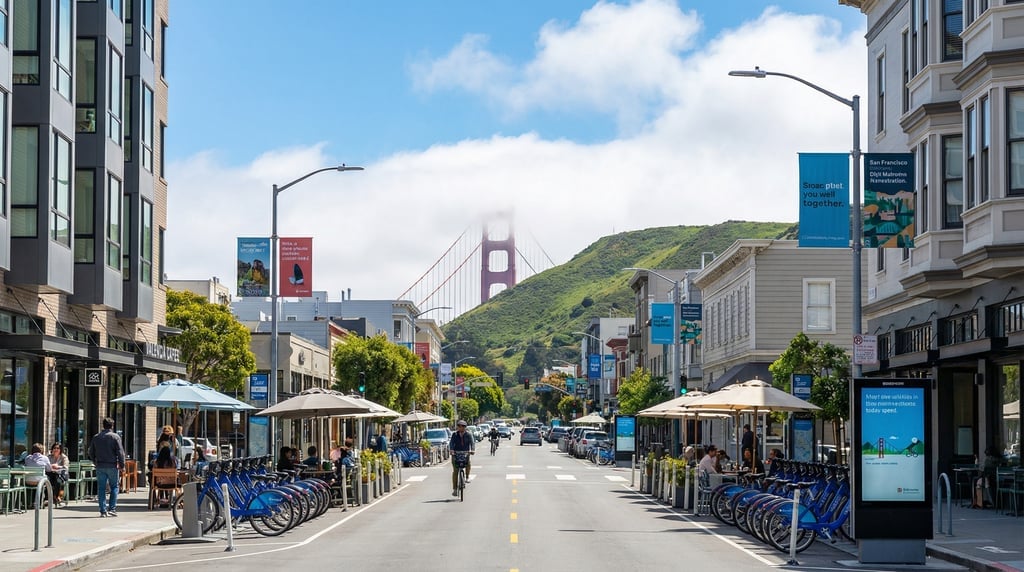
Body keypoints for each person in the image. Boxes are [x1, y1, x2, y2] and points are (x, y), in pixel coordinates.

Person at [88, 417, 126, 517]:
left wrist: (95, 461)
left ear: (103, 425)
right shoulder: (115, 437)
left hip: (100, 465)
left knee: (101, 488)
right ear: (112, 426)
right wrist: (122, 465)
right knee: (114, 487)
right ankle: (112, 508)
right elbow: (120, 452)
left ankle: (102, 510)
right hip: (112, 465)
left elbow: (91, 452)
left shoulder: (96, 437)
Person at [449, 420, 475, 497]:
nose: (461, 427)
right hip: (456, 453)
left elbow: (472, 443)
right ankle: (455, 489)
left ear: (465, 427)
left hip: (465, 453)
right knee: (455, 471)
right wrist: (451, 450)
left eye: (463, 426)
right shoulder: (454, 434)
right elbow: (451, 443)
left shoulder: (469, 435)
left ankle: (467, 477)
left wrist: (472, 450)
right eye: (459, 426)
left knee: (468, 464)